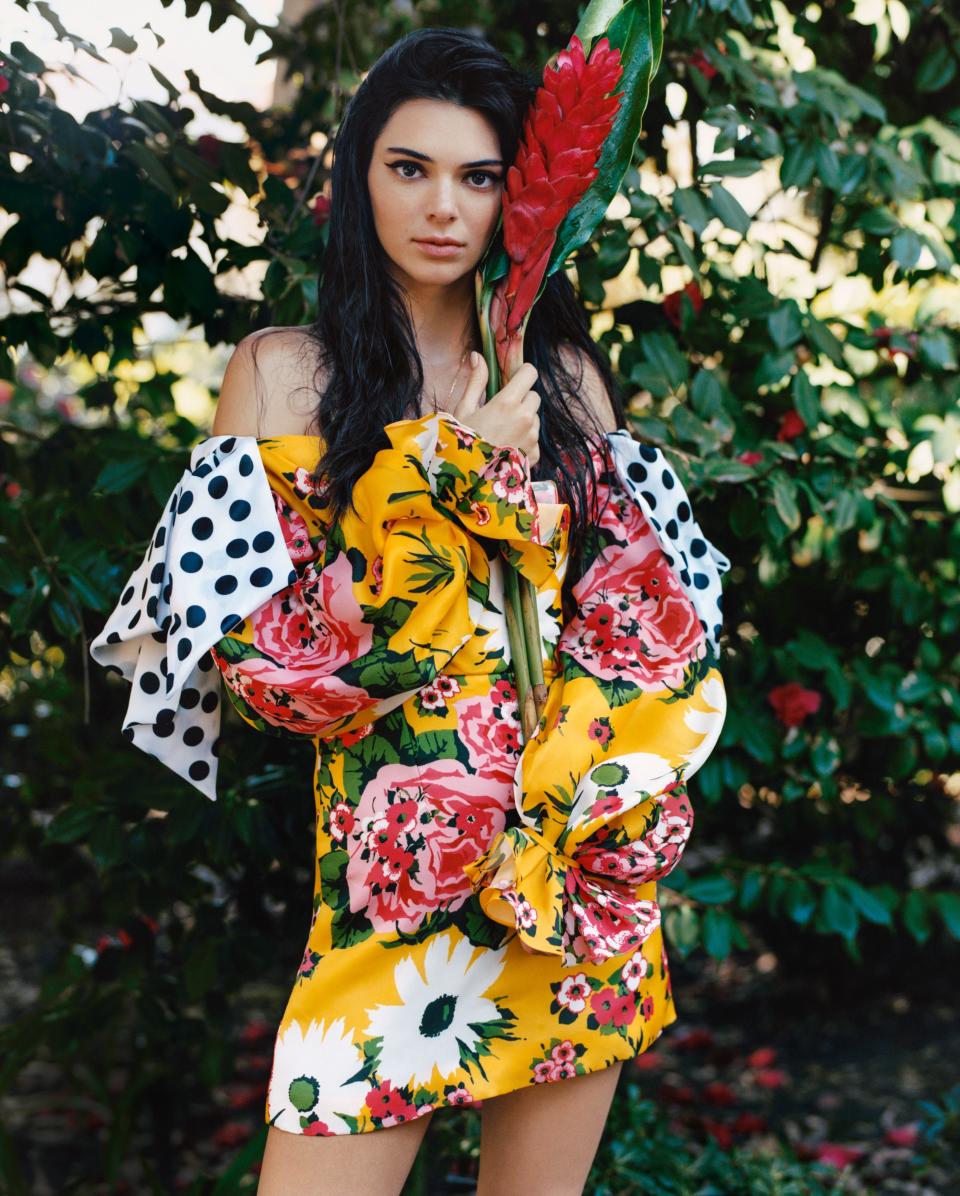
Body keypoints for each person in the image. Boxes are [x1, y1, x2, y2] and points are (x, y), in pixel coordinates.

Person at [91, 26, 731, 1196]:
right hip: (390, 893)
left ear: (522, 194)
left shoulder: (566, 381)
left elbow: (651, 642)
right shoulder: (283, 376)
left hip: (562, 889)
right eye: (409, 166)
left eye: (479, 175)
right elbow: (276, 675)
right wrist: (444, 476)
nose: (444, 206)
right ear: (356, 178)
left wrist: (606, 811)